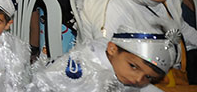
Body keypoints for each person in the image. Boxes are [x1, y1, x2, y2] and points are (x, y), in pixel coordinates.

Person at [27, 30, 176, 91]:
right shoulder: (81, 70)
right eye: (133, 66)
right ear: (112, 49)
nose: (138, 79)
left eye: (148, 77)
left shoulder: (119, 67)